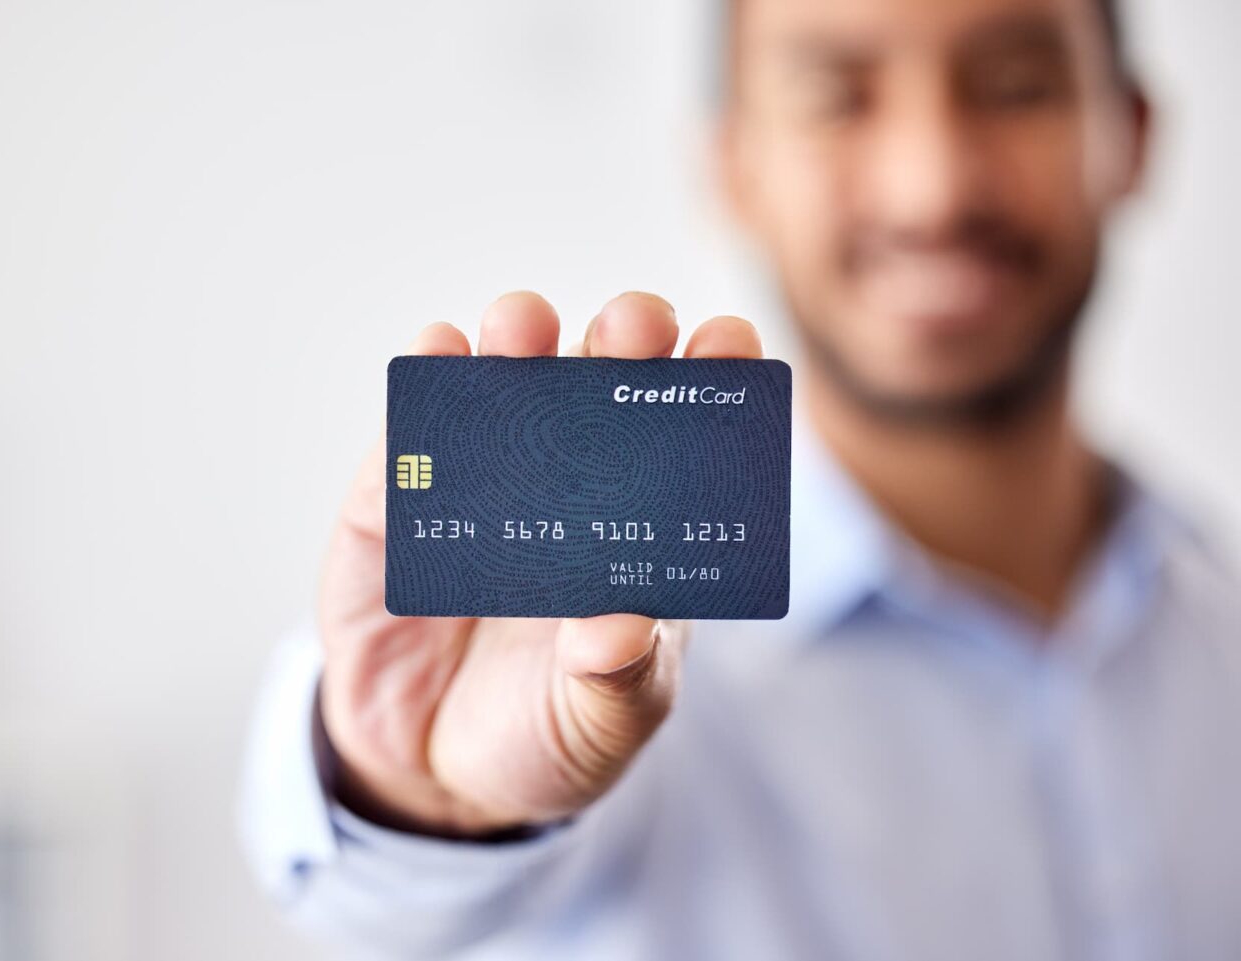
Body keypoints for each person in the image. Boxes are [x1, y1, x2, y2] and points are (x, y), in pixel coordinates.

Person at [239, 0, 1241, 957]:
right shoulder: (590, 648)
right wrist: (426, 803)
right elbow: (381, 886)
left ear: (1132, 136)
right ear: (733, 167)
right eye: (836, 96)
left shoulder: (1219, 623)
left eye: (1017, 86)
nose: (931, 187)